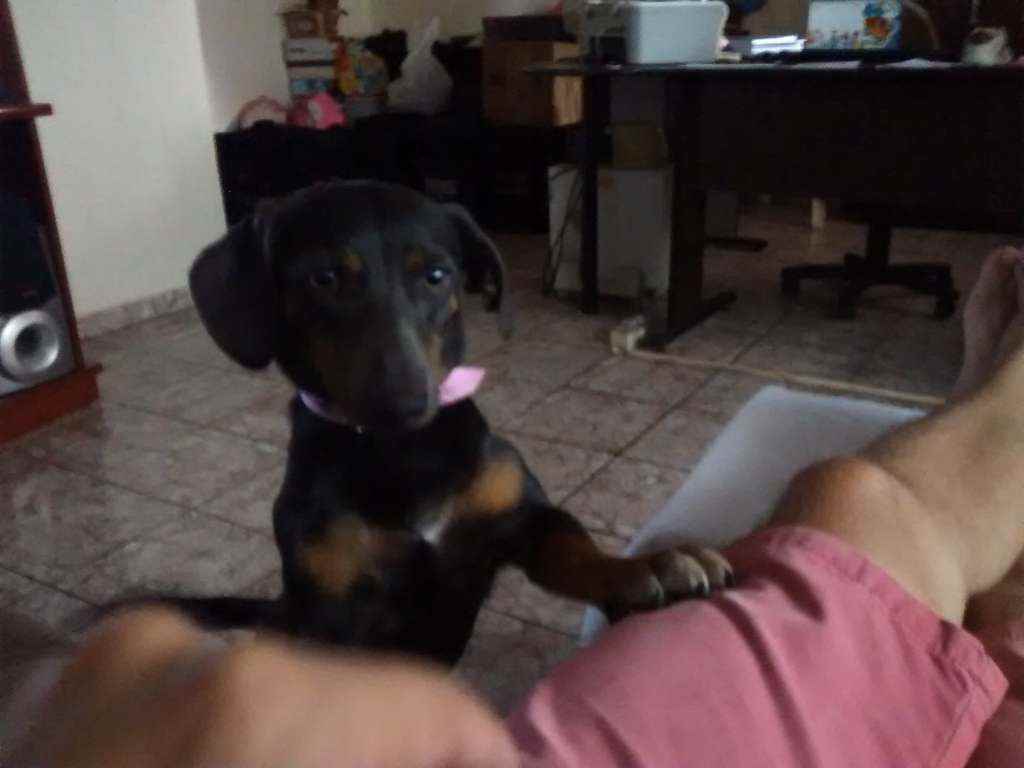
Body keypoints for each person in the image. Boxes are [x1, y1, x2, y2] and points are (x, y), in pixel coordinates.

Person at [6, 247, 1024, 768]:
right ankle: (998, 399)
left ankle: (986, 405)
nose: (396, 353)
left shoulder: (471, 457)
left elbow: (533, 533)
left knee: (888, 531)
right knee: (891, 533)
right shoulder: (314, 494)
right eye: (336, 291)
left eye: (428, 284)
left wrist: (38, 697)